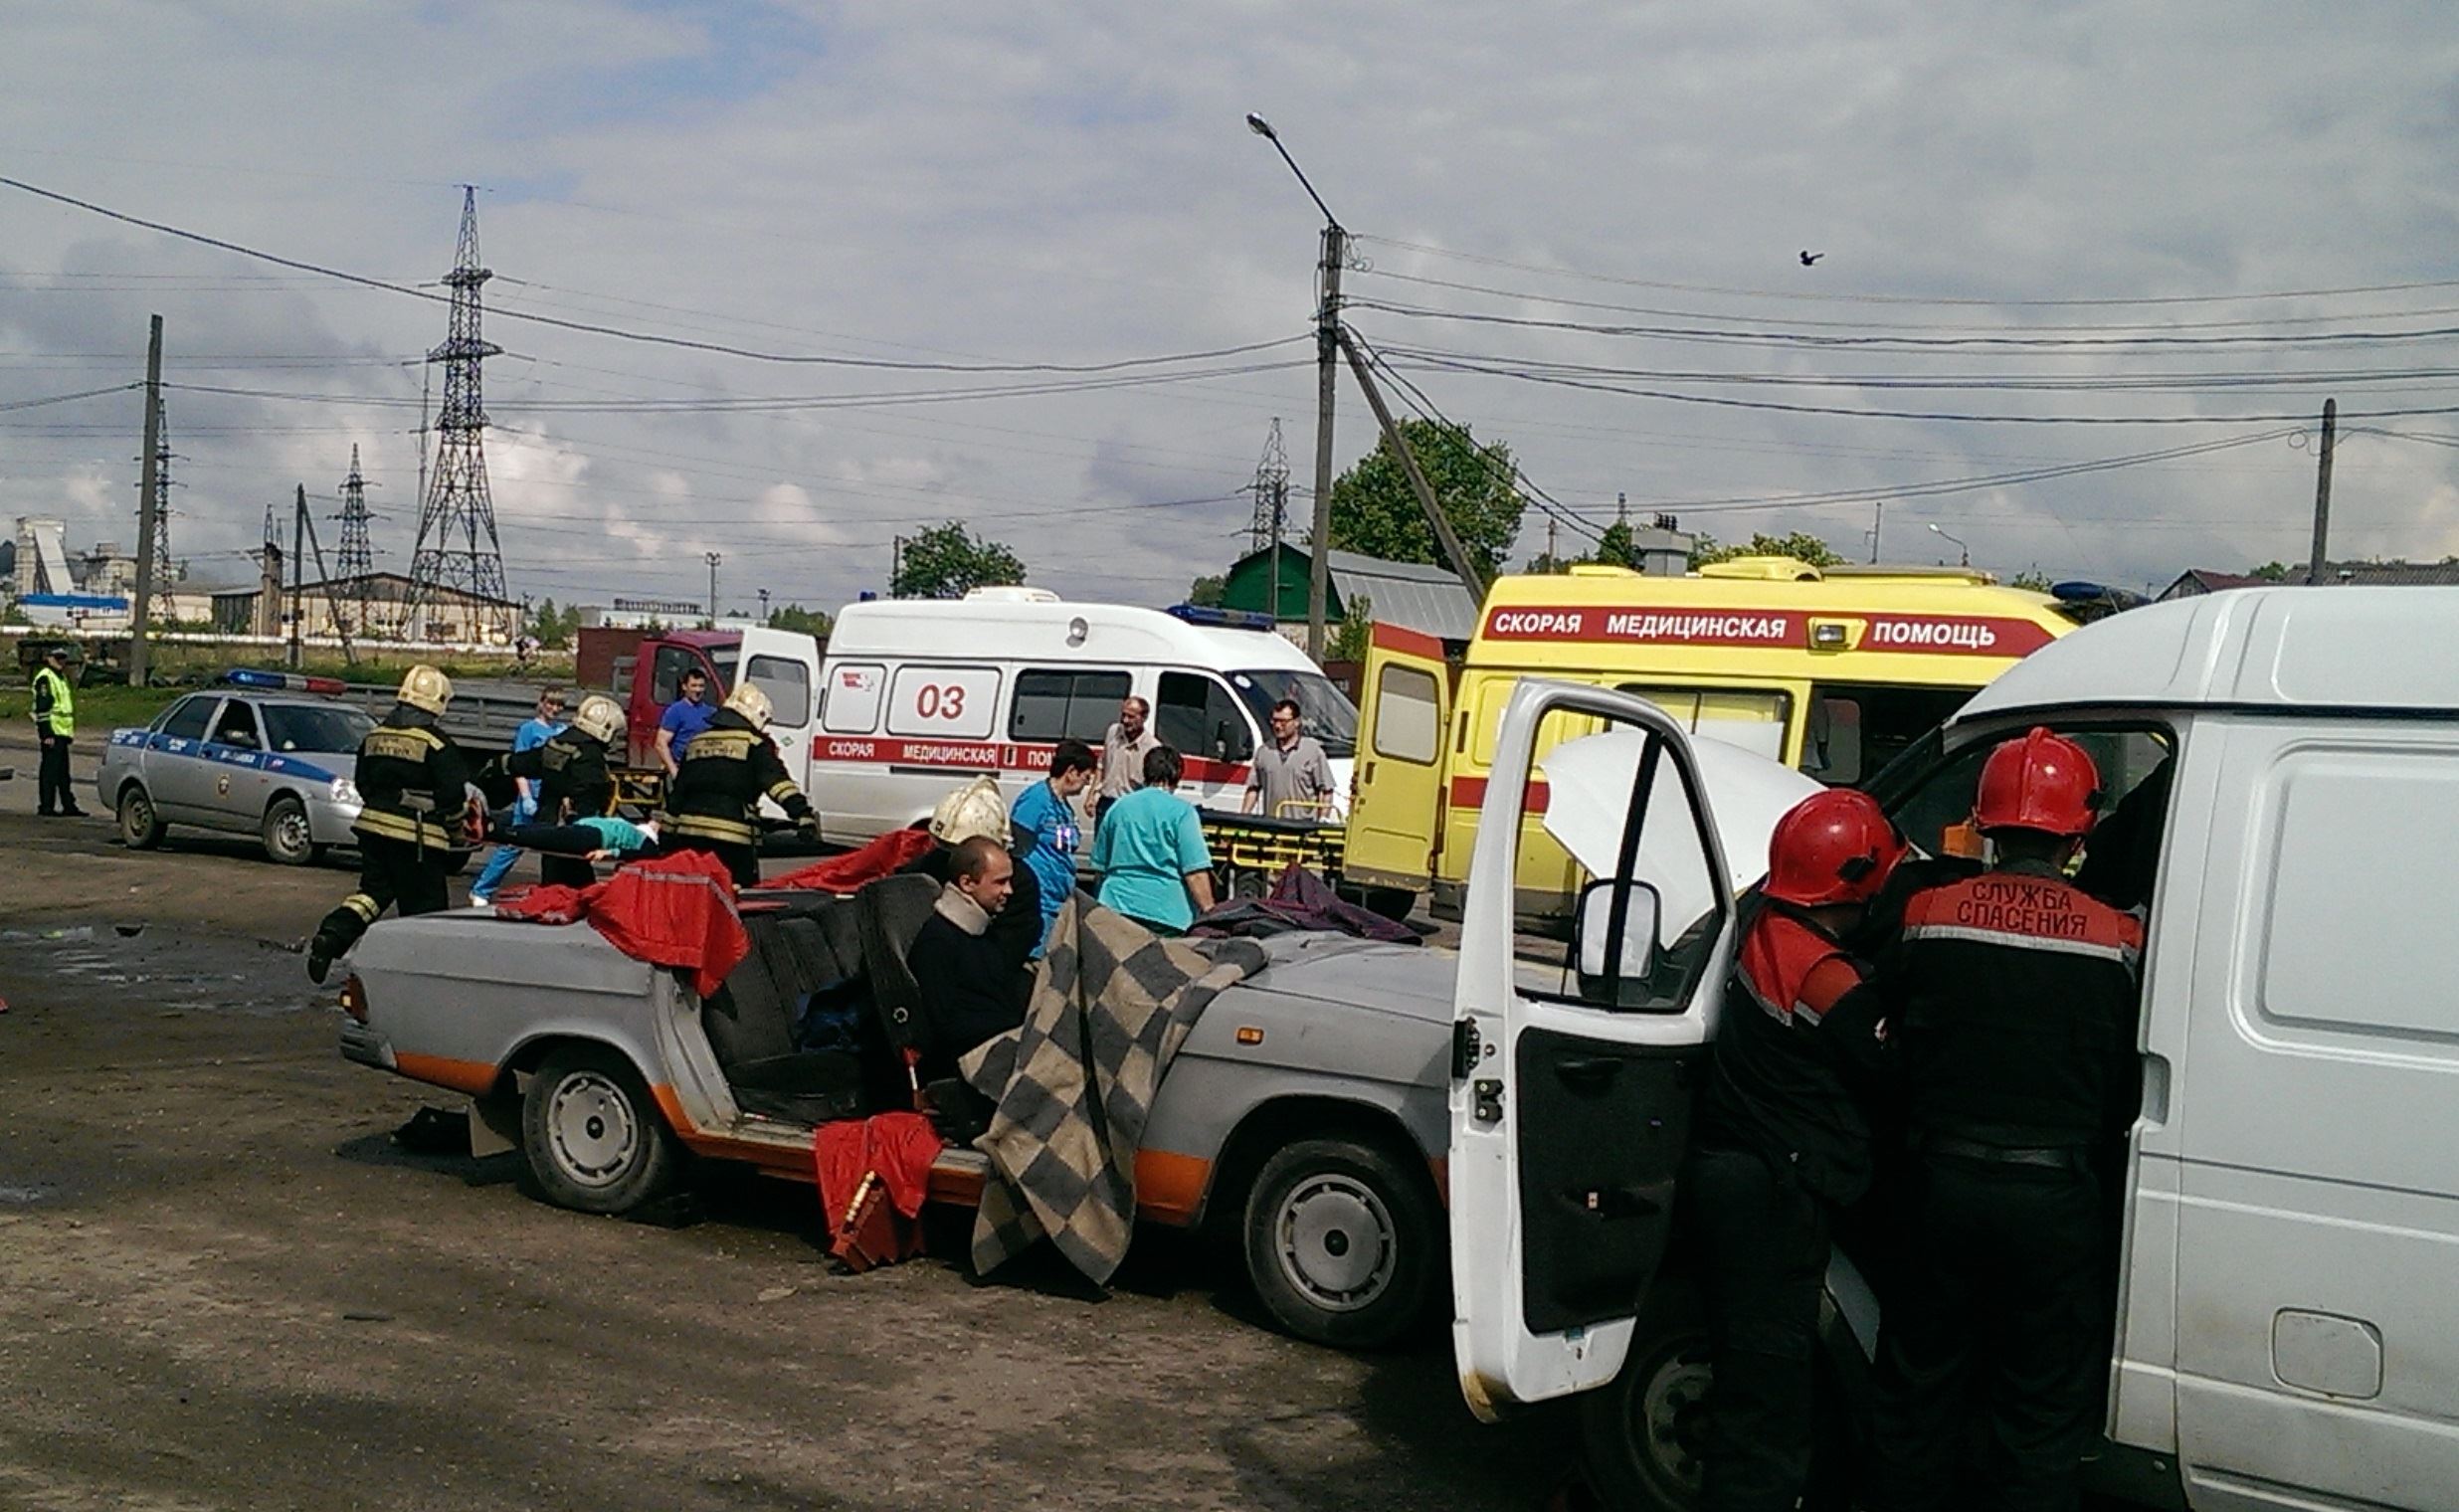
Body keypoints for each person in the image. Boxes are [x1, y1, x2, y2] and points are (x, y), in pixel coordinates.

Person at [1865, 728, 2145, 1512]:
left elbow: (1882, 1034)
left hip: (1941, 1188)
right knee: (2042, 1408)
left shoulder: (1925, 914)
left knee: (1917, 1388)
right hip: (2057, 1201)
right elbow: (2128, 1073)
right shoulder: (2120, 938)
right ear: (2078, 830)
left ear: (1986, 821)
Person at [1687, 789, 1905, 1512]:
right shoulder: (1821, 970)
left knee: (1754, 1383)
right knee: (1766, 1398)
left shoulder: (1763, 918)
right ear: (1854, 885)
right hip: (1772, 1196)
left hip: (1741, 1175)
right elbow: (1889, 1057)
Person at [306, 665, 476, 984]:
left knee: (371, 895)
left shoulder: (374, 736)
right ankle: (421, 975)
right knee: (425, 910)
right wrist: (456, 832)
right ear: (437, 702)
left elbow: (363, 783)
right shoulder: (437, 744)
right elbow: (452, 797)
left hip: (372, 830)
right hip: (417, 839)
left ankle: (331, 936)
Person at [659, 682, 815, 888]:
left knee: (696, 894)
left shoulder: (696, 742)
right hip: (732, 840)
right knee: (740, 899)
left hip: (690, 839)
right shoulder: (754, 745)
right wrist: (803, 815)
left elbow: (679, 792)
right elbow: (779, 785)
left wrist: (666, 835)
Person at [905, 834, 1036, 1076]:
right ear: (967, 883)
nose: (1009, 890)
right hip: (971, 1068)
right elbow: (943, 1025)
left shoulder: (983, 934)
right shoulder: (938, 942)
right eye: (1000, 882)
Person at [899, 775, 1045, 967]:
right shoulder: (924, 870)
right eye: (946, 848)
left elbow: (1008, 954)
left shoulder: (1020, 886)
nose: (952, 858)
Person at [495, 693, 622, 889]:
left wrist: (498, 767)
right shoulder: (590, 755)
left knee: (552, 880)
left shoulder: (559, 742)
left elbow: (527, 763)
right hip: (574, 830)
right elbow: (590, 793)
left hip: (549, 823)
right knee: (579, 888)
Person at [1090, 744, 1216, 933]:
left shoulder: (1117, 808)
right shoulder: (1182, 812)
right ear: (1177, 777)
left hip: (1116, 907)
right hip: (1167, 914)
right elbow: (1195, 873)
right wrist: (1210, 914)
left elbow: (1100, 868)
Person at [469, 688, 568, 905]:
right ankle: (482, 889)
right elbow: (519, 765)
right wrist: (526, 797)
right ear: (541, 703)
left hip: (552, 795)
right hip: (531, 792)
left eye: (559, 705)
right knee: (515, 843)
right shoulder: (528, 730)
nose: (555, 709)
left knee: (551, 844)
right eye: (551, 703)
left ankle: (550, 891)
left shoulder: (563, 730)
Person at [1008, 738, 1095, 952]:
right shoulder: (1036, 799)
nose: (1086, 785)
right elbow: (1017, 848)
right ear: (1072, 772)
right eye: (1086, 778)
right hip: (1038, 901)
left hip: (1057, 903)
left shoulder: (1064, 807)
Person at [1243, 696, 1335, 820]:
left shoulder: (1313, 751)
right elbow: (1253, 788)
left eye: (1283, 721)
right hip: (1272, 825)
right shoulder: (1264, 752)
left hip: (1302, 828)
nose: (1278, 726)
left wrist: (1323, 819)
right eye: (1274, 720)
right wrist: (1243, 817)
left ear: (1297, 722)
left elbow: (1326, 791)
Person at [30, 645, 85, 818]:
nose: (61, 661)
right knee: (50, 772)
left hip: (62, 731)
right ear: (49, 658)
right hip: (52, 731)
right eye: (58, 658)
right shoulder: (45, 678)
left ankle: (68, 805)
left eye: (63, 658)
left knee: (62, 773)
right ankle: (46, 806)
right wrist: (46, 734)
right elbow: (43, 708)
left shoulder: (61, 677)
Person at [1095, 694, 1157, 826]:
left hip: (1130, 805)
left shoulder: (1152, 747)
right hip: (1106, 802)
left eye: (1131, 717)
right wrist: (1091, 794)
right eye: (1123, 715)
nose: (1125, 720)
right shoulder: (1113, 732)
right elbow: (1102, 764)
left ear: (1144, 718)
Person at [656, 666, 715, 779]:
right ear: (684, 686)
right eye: (693, 686)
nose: (697, 690)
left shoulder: (711, 712)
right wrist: (673, 771)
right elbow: (660, 743)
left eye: (701, 686)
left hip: (704, 771)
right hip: (681, 770)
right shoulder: (675, 711)